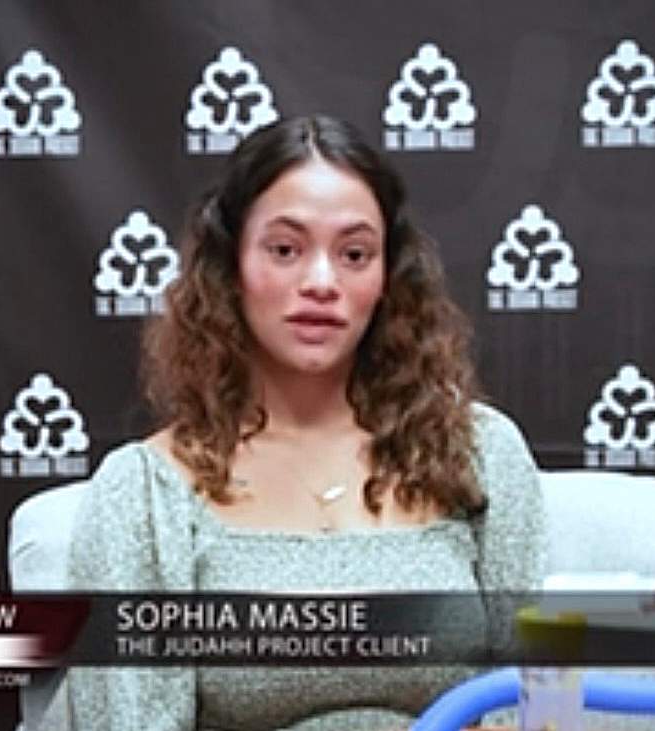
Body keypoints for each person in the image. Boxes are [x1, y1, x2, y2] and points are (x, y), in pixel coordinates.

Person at [65, 115, 545, 730]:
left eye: (353, 254)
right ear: (231, 265)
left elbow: (532, 702)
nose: (321, 282)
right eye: (286, 249)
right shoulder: (143, 497)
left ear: (386, 279)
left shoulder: (481, 454)